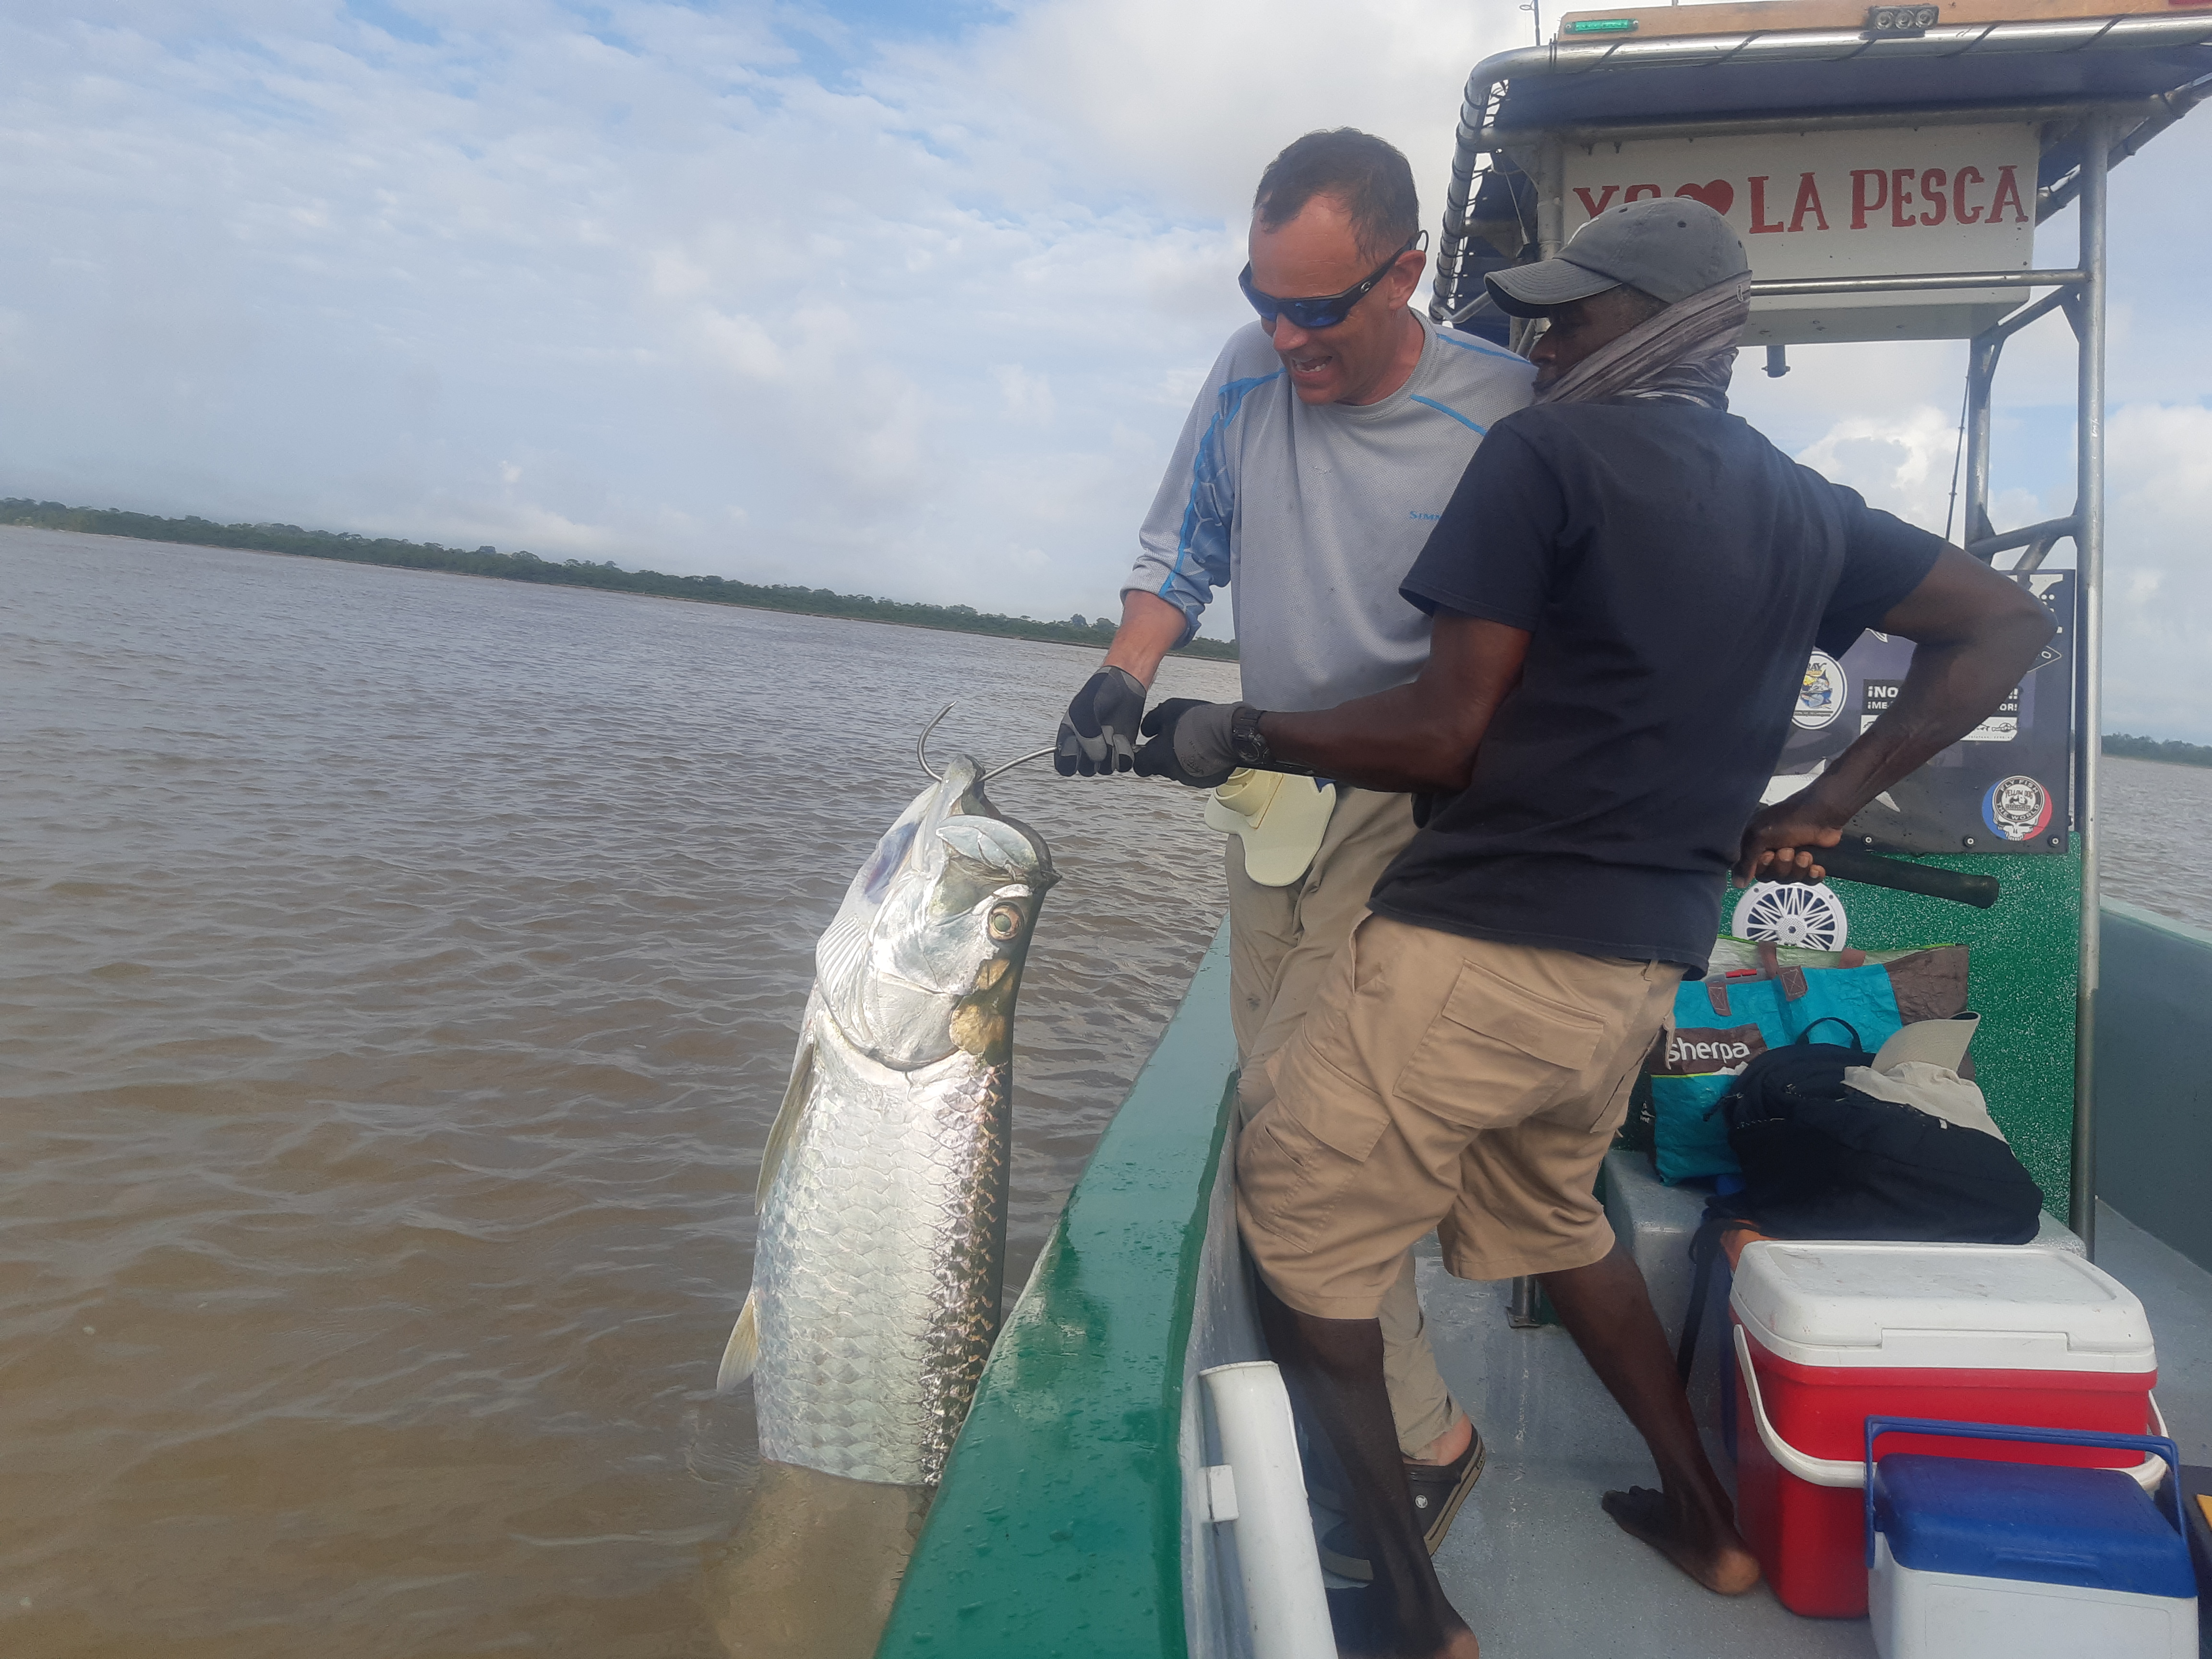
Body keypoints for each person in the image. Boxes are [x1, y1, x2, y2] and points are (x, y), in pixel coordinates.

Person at [1133, 196, 2056, 1656]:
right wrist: (1827, 792)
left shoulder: (1546, 453)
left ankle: (1409, 1607)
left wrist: (1227, 726)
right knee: (1560, 1216)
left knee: (1297, 1231)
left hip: (1475, 950)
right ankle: (1706, 1521)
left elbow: (1443, 737)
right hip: (1627, 980)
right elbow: (2004, 618)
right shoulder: (1795, 499)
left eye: (1575, 312)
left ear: (1674, 323)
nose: (1542, 338)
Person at [1051, 128, 1532, 1567]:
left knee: (1314, 1132)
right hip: (1266, 789)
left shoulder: (1502, 410)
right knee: (1269, 1107)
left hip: (1412, 800)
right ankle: (1360, 1399)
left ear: (1408, 273)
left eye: (1320, 308)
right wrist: (1127, 673)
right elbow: (1183, 543)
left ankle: (1424, 1435)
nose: (1284, 333)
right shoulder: (1247, 366)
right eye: (1263, 295)